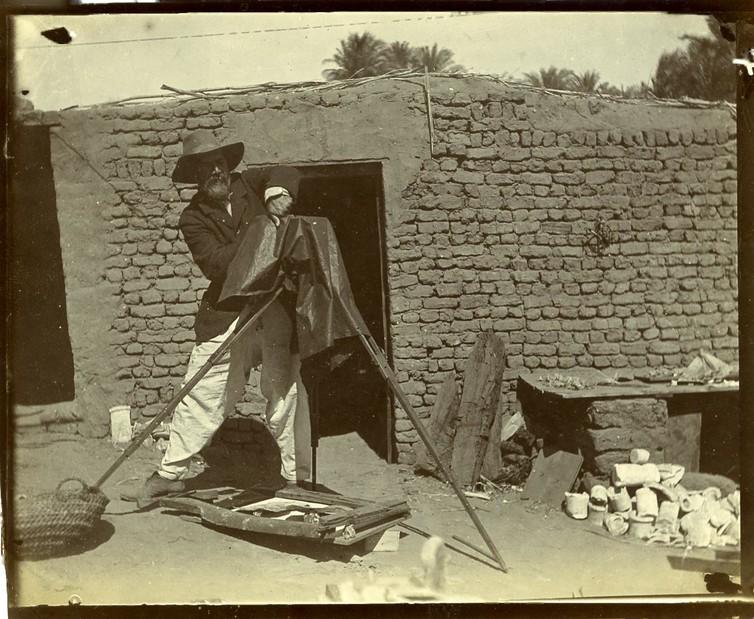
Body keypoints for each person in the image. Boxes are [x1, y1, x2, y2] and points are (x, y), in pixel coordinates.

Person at [123, 130, 311, 503]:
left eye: (219, 165)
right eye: (205, 168)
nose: (215, 172)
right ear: (195, 175)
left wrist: (277, 193)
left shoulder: (250, 185)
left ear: (228, 166)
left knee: (285, 390)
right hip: (226, 312)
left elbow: (287, 173)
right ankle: (169, 474)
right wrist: (263, 231)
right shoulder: (192, 218)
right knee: (202, 392)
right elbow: (217, 266)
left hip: (273, 307)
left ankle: (296, 480)